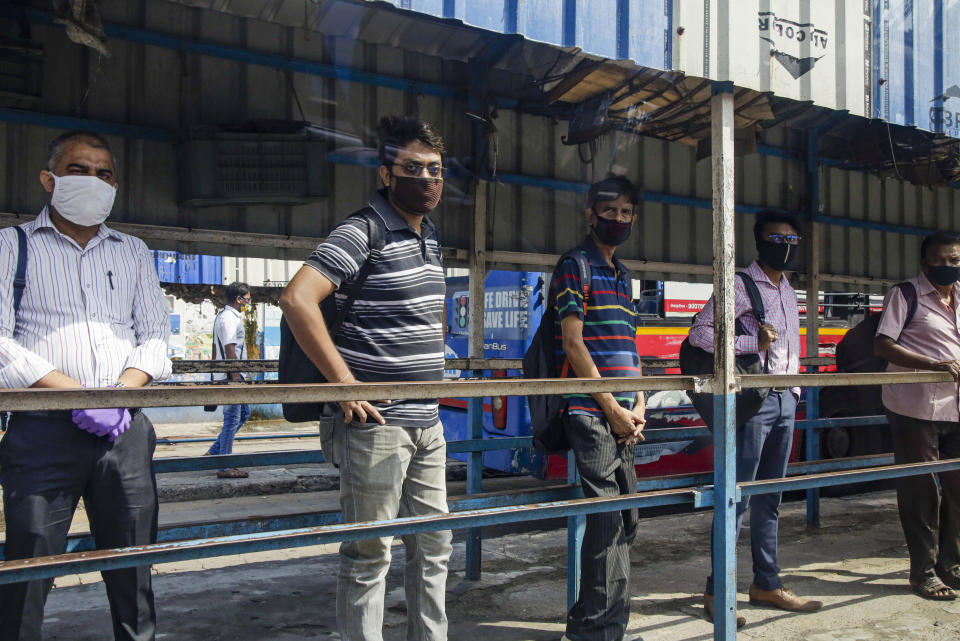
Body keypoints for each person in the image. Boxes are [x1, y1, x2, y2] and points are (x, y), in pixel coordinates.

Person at [279, 115, 451, 641]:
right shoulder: (362, 229)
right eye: (413, 168)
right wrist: (345, 384)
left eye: (436, 170)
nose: (427, 179)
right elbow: (296, 298)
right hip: (376, 426)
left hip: (428, 423)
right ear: (386, 174)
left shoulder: (430, 237)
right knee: (370, 552)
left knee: (435, 545)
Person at [0, 130, 171, 641]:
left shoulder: (133, 251)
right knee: (28, 563)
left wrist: (119, 394)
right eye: (79, 169)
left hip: (124, 428)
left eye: (105, 173)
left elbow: (157, 335)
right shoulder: (13, 246)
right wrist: (74, 395)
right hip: (43, 429)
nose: (93, 180)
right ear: (49, 179)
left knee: (134, 564)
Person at [689, 210, 821, 627]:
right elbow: (700, 333)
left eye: (792, 241)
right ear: (760, 241)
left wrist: (795, 391)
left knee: (771, 500)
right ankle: (717, 591)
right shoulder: (741, 285)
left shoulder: (787, 290)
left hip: (784, 400)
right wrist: (751, 340)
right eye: (777, 239)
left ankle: (767, 582)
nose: (785, 247)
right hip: (753, 402)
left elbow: (791, 349)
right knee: (738, 499)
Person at [553, 176, 646, 641]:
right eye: (609, 211)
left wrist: (640, 401)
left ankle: (591, 624)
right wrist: (610, 406)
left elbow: (629, 345)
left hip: (624, 415)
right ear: (591, 214)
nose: (618, 219)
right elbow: (573, 342)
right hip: (590, 412)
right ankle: (601, 633)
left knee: (626, 520)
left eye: (627, 212)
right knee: (610, 521)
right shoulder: (575, 264)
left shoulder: (625, 275)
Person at [874, 231, 960, 601]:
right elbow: (884, 344)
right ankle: (923, 572)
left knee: (958, 490)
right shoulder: (905, 294)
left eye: (954, 260)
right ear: (924, 263)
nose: (947, 267)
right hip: (915, 407)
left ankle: (951, 564)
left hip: (955, 407)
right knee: (920, 490)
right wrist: (932, 364)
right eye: (939, 261)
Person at [207, 281, 252, 479]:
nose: (248, 303)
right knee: (232, 419)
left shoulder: (224, 317)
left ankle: (214, 452)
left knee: (243, 414)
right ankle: (224, 466)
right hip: (231, 376)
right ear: (238, 299)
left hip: (228, 374)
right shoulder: (228, 319)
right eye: (247, 299)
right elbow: (229, 348)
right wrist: (235, 378)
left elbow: (216, 350)